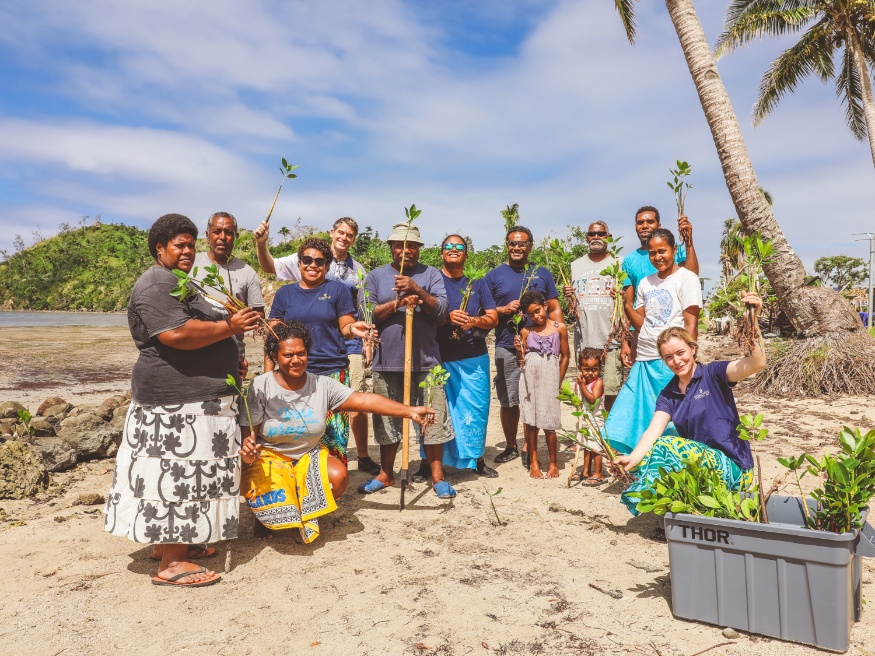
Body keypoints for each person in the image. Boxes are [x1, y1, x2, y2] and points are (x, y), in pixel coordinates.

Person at [104, 213, 261, 587]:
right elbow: (175, 334)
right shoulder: (156, 281)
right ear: (160, 248)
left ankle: (168, 546)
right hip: (177, 404)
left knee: (176, 475)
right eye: (180, 244)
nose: (189, 250)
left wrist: (227, 349)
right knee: (181, 476)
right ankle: (173, 563)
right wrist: (229, 327)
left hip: (189, 400)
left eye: (191, 244)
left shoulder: (177, 280)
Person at [238, 321, 435, 541]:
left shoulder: (322, 385)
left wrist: (409, 411)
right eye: (288, 355)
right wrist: (248, 451)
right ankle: (264, 516)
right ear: (275, 356)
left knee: (339, 477)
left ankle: (303, 509)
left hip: (306, 454)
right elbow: (250, 435)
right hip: (270, 457)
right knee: (259, 484)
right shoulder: (260, 386)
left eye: (301, 353)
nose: (296, 360)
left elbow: (365, 400)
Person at [617, 293, 765, 514]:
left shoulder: (713, 374)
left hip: (736, 470)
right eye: (668, 357)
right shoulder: (669, 394)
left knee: (667, 446)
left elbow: (756, 363)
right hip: (702, 471)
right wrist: (632, 459)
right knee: (658, 447)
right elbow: (652, 431)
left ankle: (649, 502)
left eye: (680, 353)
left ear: (693, 349)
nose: (676, 361)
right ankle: (663, 506)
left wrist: (753, 321)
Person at [253, 217, 380, 476]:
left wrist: (355, 328)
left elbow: (345, 324)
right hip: (294, 376)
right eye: (307, 261)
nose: (313, 266)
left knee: (334, 438)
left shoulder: (338, 291)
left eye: (319, 261)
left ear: (327, 264)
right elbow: (272, 337)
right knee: (297, 436)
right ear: (299, 264)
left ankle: (331, 489)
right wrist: (268, 374)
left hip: (332, 370)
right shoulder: (285, 294)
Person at [359, 222, 456, 498]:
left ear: (419, 248)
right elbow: (367, 315)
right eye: (400, 245)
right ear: (391, 247)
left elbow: (441, 312)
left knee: (432, 419)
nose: (406, 251)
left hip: (426, 362)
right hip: (387, 361)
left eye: (412, 245)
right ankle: (386, 473)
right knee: (387, 421)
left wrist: (416, 290)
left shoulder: (431, 274)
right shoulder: (375, 277)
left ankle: (437, 476)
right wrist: (396, 304)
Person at [605, 228, 702, 456]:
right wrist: (625, 303)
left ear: (674, 250)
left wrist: (689, 358)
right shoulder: (646, 283)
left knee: (672, 418)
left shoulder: (687, 278)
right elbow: (640, 323)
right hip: (645, 358)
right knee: (639, 415)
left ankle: (675, 462)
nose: (657, 257)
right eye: (652, 253)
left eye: (662, 251)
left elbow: (691, 323)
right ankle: (644, 461)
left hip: (670, 360)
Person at [485, 225, 563, 468]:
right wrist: (503, 309)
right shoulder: (494, 276)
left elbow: (554, 306)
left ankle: (530, 447)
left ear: (530, 245)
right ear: (506, 245)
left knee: (536, 397)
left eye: (522, 243)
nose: (517, 247)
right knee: (509, 399)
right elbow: (484, 311)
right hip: (508, 345)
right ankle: (511, 446)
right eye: (512, 243)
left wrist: (557, 329)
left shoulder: (542, 273)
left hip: (539, 349)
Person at [423, 234, 499, 479]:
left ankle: (476, 458)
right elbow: (425, 314)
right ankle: (428, 462)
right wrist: (447, 318)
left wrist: (474, 321)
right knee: (435, 410)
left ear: (466, 254)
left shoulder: (476, 283)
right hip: (438, 357)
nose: (453, 249)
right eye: (448, 246)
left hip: (473, 357)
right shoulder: (433, 281)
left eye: (459, 247)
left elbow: (493, 316)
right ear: (441, 252)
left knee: (475, 409)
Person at [621, 206, 698, 367]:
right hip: (643, 338)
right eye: (640, 222)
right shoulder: (629, 261)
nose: (645, 225)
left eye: (650, 221)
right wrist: (624, 342)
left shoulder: (677, 253)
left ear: (659, 224)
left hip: (675, 340)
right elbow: (629, 304)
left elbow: (691, 277)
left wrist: (689, 240)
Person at [193, 211, 265, 377]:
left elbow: (259, 317)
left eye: (229, 233)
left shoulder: (248, 273)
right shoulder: (190, 265)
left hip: (231, 360)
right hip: (193, 356)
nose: (222, 237)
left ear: (235, 236)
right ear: (207, 236)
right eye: (217, 232)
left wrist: (241, 315)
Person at [564, 221, 624, 410]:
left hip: (611, 341)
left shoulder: (619, 263)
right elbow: (573, 307)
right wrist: (568, 297)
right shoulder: (575, 265)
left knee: (611, 391)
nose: (596, 237)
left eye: (601, 233)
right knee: (585, 392)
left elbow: (628, 302)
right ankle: (588, 434)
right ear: (586, 237)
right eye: (591, 234)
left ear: (608, 236)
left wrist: (621, 296)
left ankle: (608, 434)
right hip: (585, 343)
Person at [514, 290, 570, 479]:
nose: (536, 316)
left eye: (538, 310)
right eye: (530, 314)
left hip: (550, 378)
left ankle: (553, 462)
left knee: (550, 423)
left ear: (545, 306)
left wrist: (558, 381)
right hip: (529, 379)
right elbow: (520, 361)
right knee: (531, 422)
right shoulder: (525, 332)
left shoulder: (559, 328)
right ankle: (534, 462)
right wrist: (518, 351)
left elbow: (565, 357)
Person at [572, 347, 606, 486]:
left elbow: (592, 399)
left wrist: (582, 386)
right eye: (586, 369)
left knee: (595, 447)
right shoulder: (580, 382)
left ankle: (598, 473)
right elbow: (577, 398)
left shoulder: (598, 383)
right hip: (584, 420)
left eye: (594, 369)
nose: (590, 373)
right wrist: (576, 396)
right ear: (580, 368)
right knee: (586, 446)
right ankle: (586, 471)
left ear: (599, 368)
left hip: (595, 420)